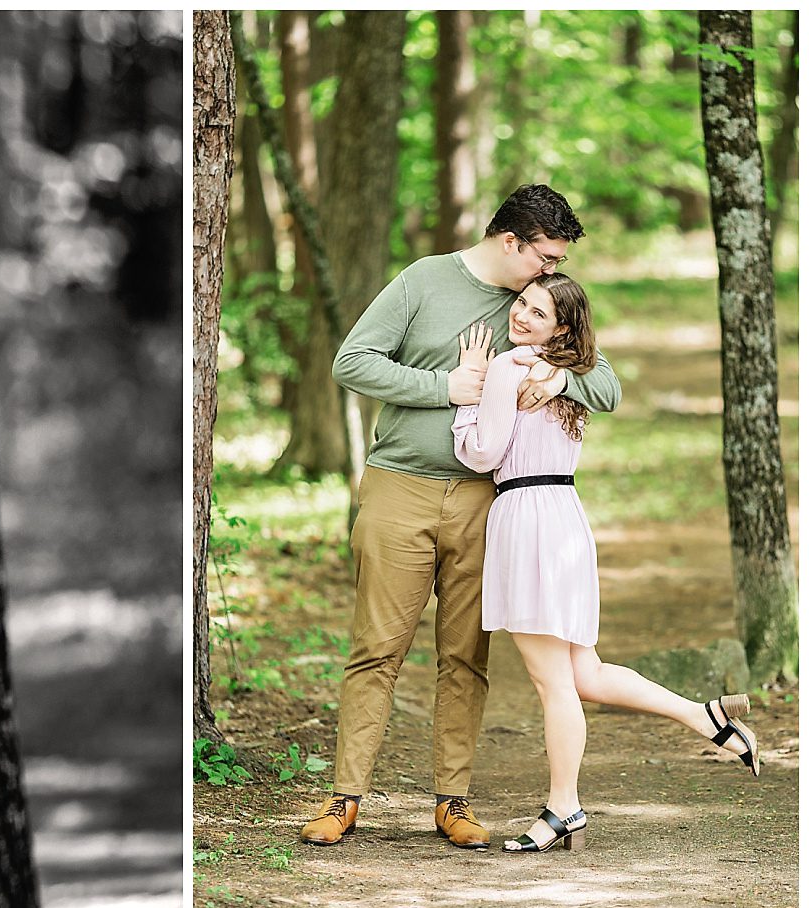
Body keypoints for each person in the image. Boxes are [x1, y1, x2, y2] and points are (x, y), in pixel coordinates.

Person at [304, 185, 622, 849]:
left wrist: (561, 379)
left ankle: (453, 800)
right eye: (546, 256)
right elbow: (352, 361)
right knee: (377, 648)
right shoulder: (423, 280)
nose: (551, 272)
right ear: (514, 241)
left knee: (465, 654)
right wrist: (443, 388)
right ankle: (345, 797)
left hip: (486, 503)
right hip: (399, 487)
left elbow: (605, 379)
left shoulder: (531, 307)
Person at [449, 275, 758, 853]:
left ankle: (564, 806)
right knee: (584, 674)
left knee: (552, 682)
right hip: (564, 514)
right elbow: (605, 387)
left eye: (536, 313)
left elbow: (483, 452)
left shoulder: (510, 370)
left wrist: (466, 394)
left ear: (560, 327)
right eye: (521, 304)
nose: (520, 316)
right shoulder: (578, 371)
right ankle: (705, 717)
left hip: (526, 518)